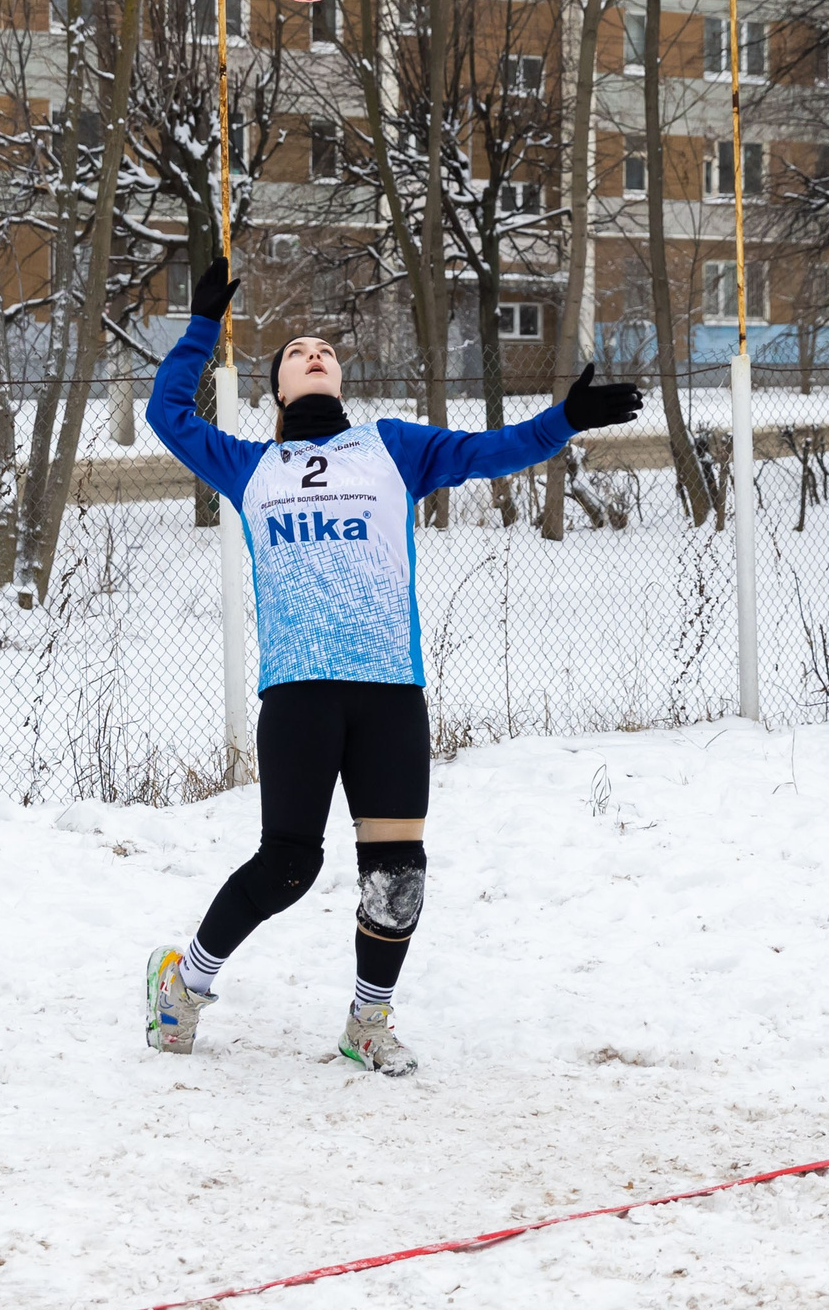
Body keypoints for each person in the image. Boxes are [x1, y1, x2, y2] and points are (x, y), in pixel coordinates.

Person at [142, 258, 644, 1075]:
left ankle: (367, 1022)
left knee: (398, 874)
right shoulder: (250, 465)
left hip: (388, 693)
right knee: (289, 864)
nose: (312, 352)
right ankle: (184, 983)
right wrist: (201, 329)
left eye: (325, 350)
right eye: (296, 351)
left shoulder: (391, 446)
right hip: (301, 692)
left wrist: (565, 420)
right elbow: (167, 416)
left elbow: (492, 451)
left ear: (340, 379)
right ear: (276, 390)